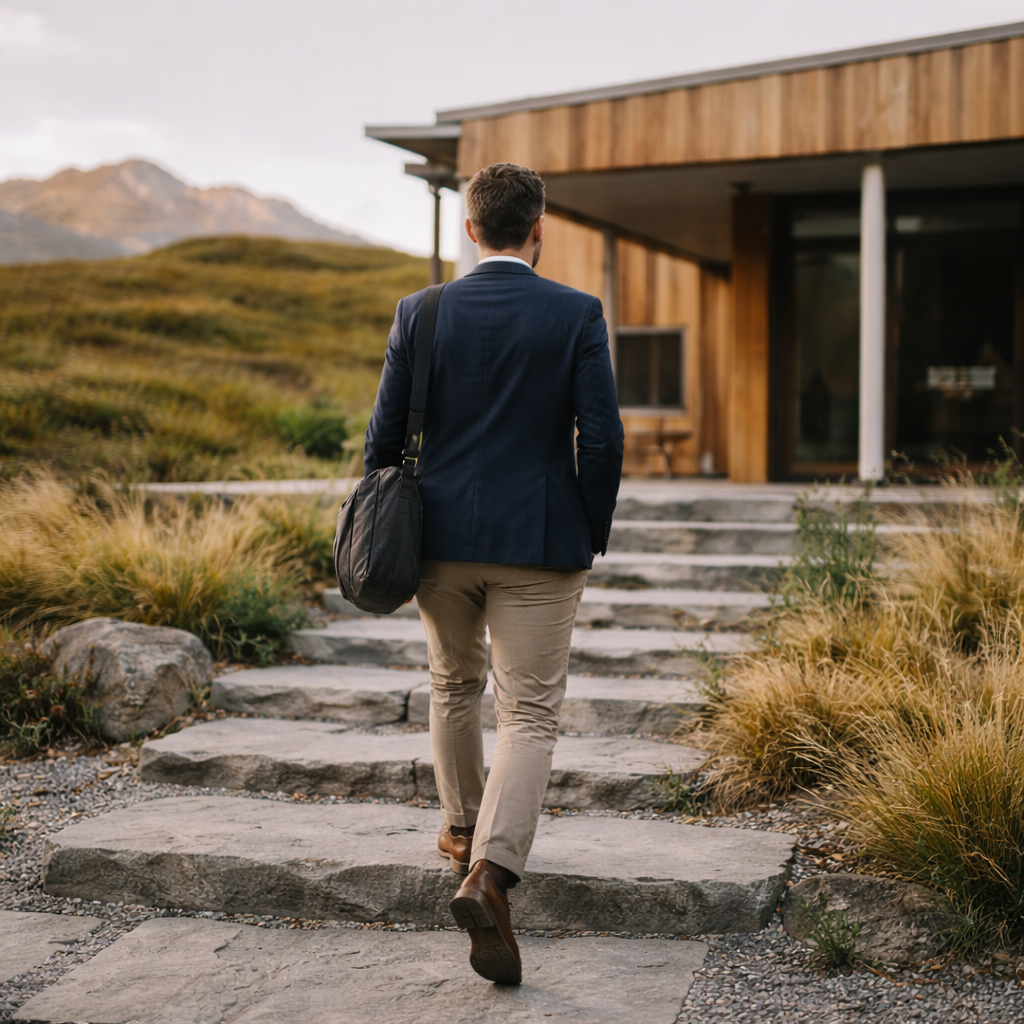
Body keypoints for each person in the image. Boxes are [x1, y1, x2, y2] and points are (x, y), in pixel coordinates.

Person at [364, 161, 623, 985]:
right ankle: (493, 873)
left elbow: (380, 442)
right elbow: (603, 439)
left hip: (437, 539)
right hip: (540, 541)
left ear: (470, 230)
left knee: (451, 687)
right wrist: (587, 528)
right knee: (532, 713)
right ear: (538, 229)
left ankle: (462, 839)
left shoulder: (421, 310)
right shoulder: (577, 312)